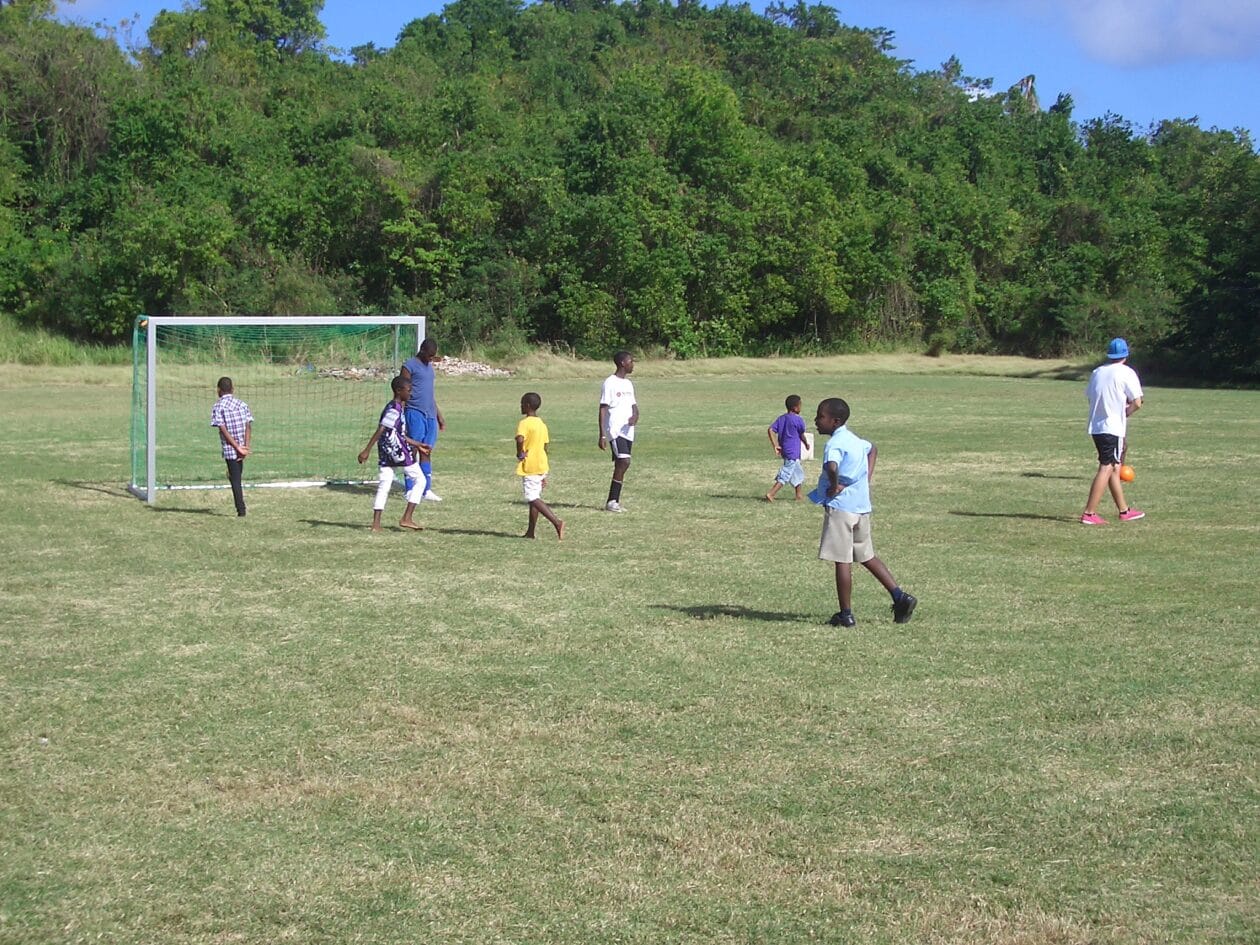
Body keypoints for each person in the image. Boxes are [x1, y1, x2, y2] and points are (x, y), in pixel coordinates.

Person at [809, 397, 917, 628]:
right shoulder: (855, 440)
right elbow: (873, 449)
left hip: (841, 508)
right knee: (866, 555)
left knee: (842, 560)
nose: (816, 421)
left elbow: (831, 465)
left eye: (820, 416)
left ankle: (845, 614)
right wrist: (865, 478)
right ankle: (900, 596)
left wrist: (834, 484)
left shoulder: (834, 444)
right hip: (861, 507)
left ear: (835, 421)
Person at [1081, 337, 1145, 525]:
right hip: (1113, 427)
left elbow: (1091, 398)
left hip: (1096, 426)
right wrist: (1125, 412)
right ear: (1126, 355)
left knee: (1115, 467)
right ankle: (1089, 513)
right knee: (1107, 466)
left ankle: (1124, 510)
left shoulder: (1097, 372)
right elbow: (1137, 402)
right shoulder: (1127, 373)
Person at [357, 375, 430, 532]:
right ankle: (407, 518)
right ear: (399, 390)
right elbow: (382, 429)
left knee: (384, 484)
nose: (410, 394)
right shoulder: (395, 409)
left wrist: (418, 444)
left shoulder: (395, 406)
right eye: (408, 391)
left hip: (385, 452)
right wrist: (366, 450)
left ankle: (376, 525)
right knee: (420, 480)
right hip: (398, 452)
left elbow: (398, 433)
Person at [400, 337, 446, 502]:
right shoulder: (409, 366)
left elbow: (429, 393)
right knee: (412, 450)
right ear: (422, 350)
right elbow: (401, 391)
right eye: (429, 355)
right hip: (414, 412)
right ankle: (410, 488)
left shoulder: (430, 368)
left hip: (430, 414)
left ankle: (426, 489)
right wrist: (400, 415)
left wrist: (438, 414)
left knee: (426, 450)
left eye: (433, 356)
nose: (431, 359)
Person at [515, 392, 565, 540]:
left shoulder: (524, 423)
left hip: (531, 465)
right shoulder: (541, 424)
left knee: (532, 498)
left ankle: (557, 522)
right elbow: (545, 446)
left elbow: (520, 439)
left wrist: (520, 453)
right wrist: (544, 472)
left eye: (522, 403)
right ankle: (530, 532)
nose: (520, 406)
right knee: (534, 497)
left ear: (528, 406)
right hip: (541, 463)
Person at [598, 350, 638, 512]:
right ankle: (612, 501)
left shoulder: (628, 384)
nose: (633, 364)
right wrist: (601, 434)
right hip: (614, 430)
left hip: (628, 431)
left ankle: (613, 501)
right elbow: (602, 409)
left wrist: (635, 416)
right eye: (631, 361)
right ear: (623, 363)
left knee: (622, 464)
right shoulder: (610, 383)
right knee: (624, 461)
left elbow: (634, 406)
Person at [211, 377, 253, 517]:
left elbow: (222, 429)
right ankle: (240, 507)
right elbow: (248, 426)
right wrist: (245, 446)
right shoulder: (242, 404)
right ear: (232, 389)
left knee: (236, 478)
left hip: (230, 448)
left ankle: (241, 510)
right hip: (242, 445)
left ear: (218, 390)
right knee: (236, 474)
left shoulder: (218, 406)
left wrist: (236, 447)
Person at [765, 394, 809, 501]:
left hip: (785, 450)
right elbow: (801, 434)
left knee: (797, 470)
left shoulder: (781, 418)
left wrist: (776, 445)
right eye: (800, 405)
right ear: (795, 408)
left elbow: (771, 430)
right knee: (786, 472)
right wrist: (806, 443)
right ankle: (771, 493)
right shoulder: (799, 420)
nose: (801, 407)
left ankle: (798, 495)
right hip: (793, 451)